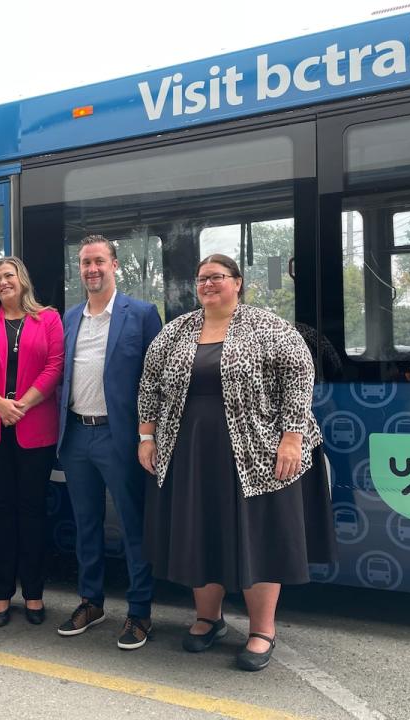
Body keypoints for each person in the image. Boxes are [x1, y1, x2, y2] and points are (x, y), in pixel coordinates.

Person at [137, 254, 334, 671]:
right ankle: (209, 618)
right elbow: (150, 384)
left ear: (238, 283)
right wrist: (146, 437)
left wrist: (292, 437)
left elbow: (299, 377)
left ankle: (262, 630)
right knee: (199, 532)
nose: (208, 284)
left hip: (257, 453)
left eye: (218, 277)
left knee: (258, 538)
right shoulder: (176, 331)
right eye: (202, 278)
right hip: (190, 453)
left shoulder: (268, 326)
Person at [56, 235, 162, 650]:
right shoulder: (68, 319)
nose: (91, 269)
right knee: (86, 525)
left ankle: (139, 612)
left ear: (115, 265)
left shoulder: (142, 314)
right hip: (77, 434)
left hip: (120, 436)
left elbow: (155, 380)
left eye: (99, 261)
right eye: (85, 263)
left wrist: (147, 436)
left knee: (134, 525)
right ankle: (91, 601)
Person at [0, 257, 64, 627]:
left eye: (9, 275)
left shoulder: (48, 319)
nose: (3, 282)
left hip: (34, 426)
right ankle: (1, 593)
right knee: (0, 512)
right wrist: (0, 405)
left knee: (33, 512)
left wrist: (23, 404)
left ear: (22, 280)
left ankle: (34, 593)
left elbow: (55, 365)